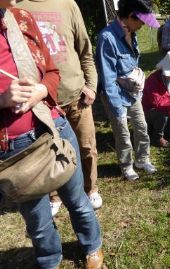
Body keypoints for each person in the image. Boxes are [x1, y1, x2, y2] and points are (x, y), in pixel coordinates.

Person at [0, 2, 103, 269]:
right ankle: (50, 260)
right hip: (14, 150)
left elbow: (53, 71)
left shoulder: (21, 18)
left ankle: (92, 246)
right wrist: (1, 99)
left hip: (53, 128)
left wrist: (42, 92)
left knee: (77, 199)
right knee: (38, 220)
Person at [17, 0, 103, 214]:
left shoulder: (68, 4)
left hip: (77, 97)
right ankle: (55, 195)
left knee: (86, 147)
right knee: (51, 153)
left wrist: (91, 86)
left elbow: (85, 50)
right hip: (44, 103)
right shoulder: (17, 8)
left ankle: (90, 188)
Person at [96, 0, 159, 180]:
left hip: (131, 92)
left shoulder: (132, 32)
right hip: (115, 94)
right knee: (122, 133)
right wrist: (117, 109)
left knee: (141, 126)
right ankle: (126, 165)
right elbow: (108, 79)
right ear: (130, 17)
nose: (142, 26)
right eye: (141, 21)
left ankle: (142, 159)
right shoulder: (107, 38)